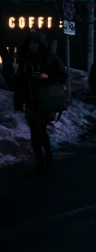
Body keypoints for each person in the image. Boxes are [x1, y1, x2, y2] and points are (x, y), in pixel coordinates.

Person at [13, 30, 67, 176]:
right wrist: (18, 101)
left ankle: (47, 157)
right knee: (35, 132)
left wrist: (48, 76)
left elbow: (63, 75)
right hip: (30, 101)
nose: (32, 46)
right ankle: (40, 162)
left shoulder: (50, 58)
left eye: (35, 43)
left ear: (41, 44)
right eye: (30, 43)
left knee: (39, 131)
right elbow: (20, 82)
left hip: (45, 101)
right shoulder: (25, 60)